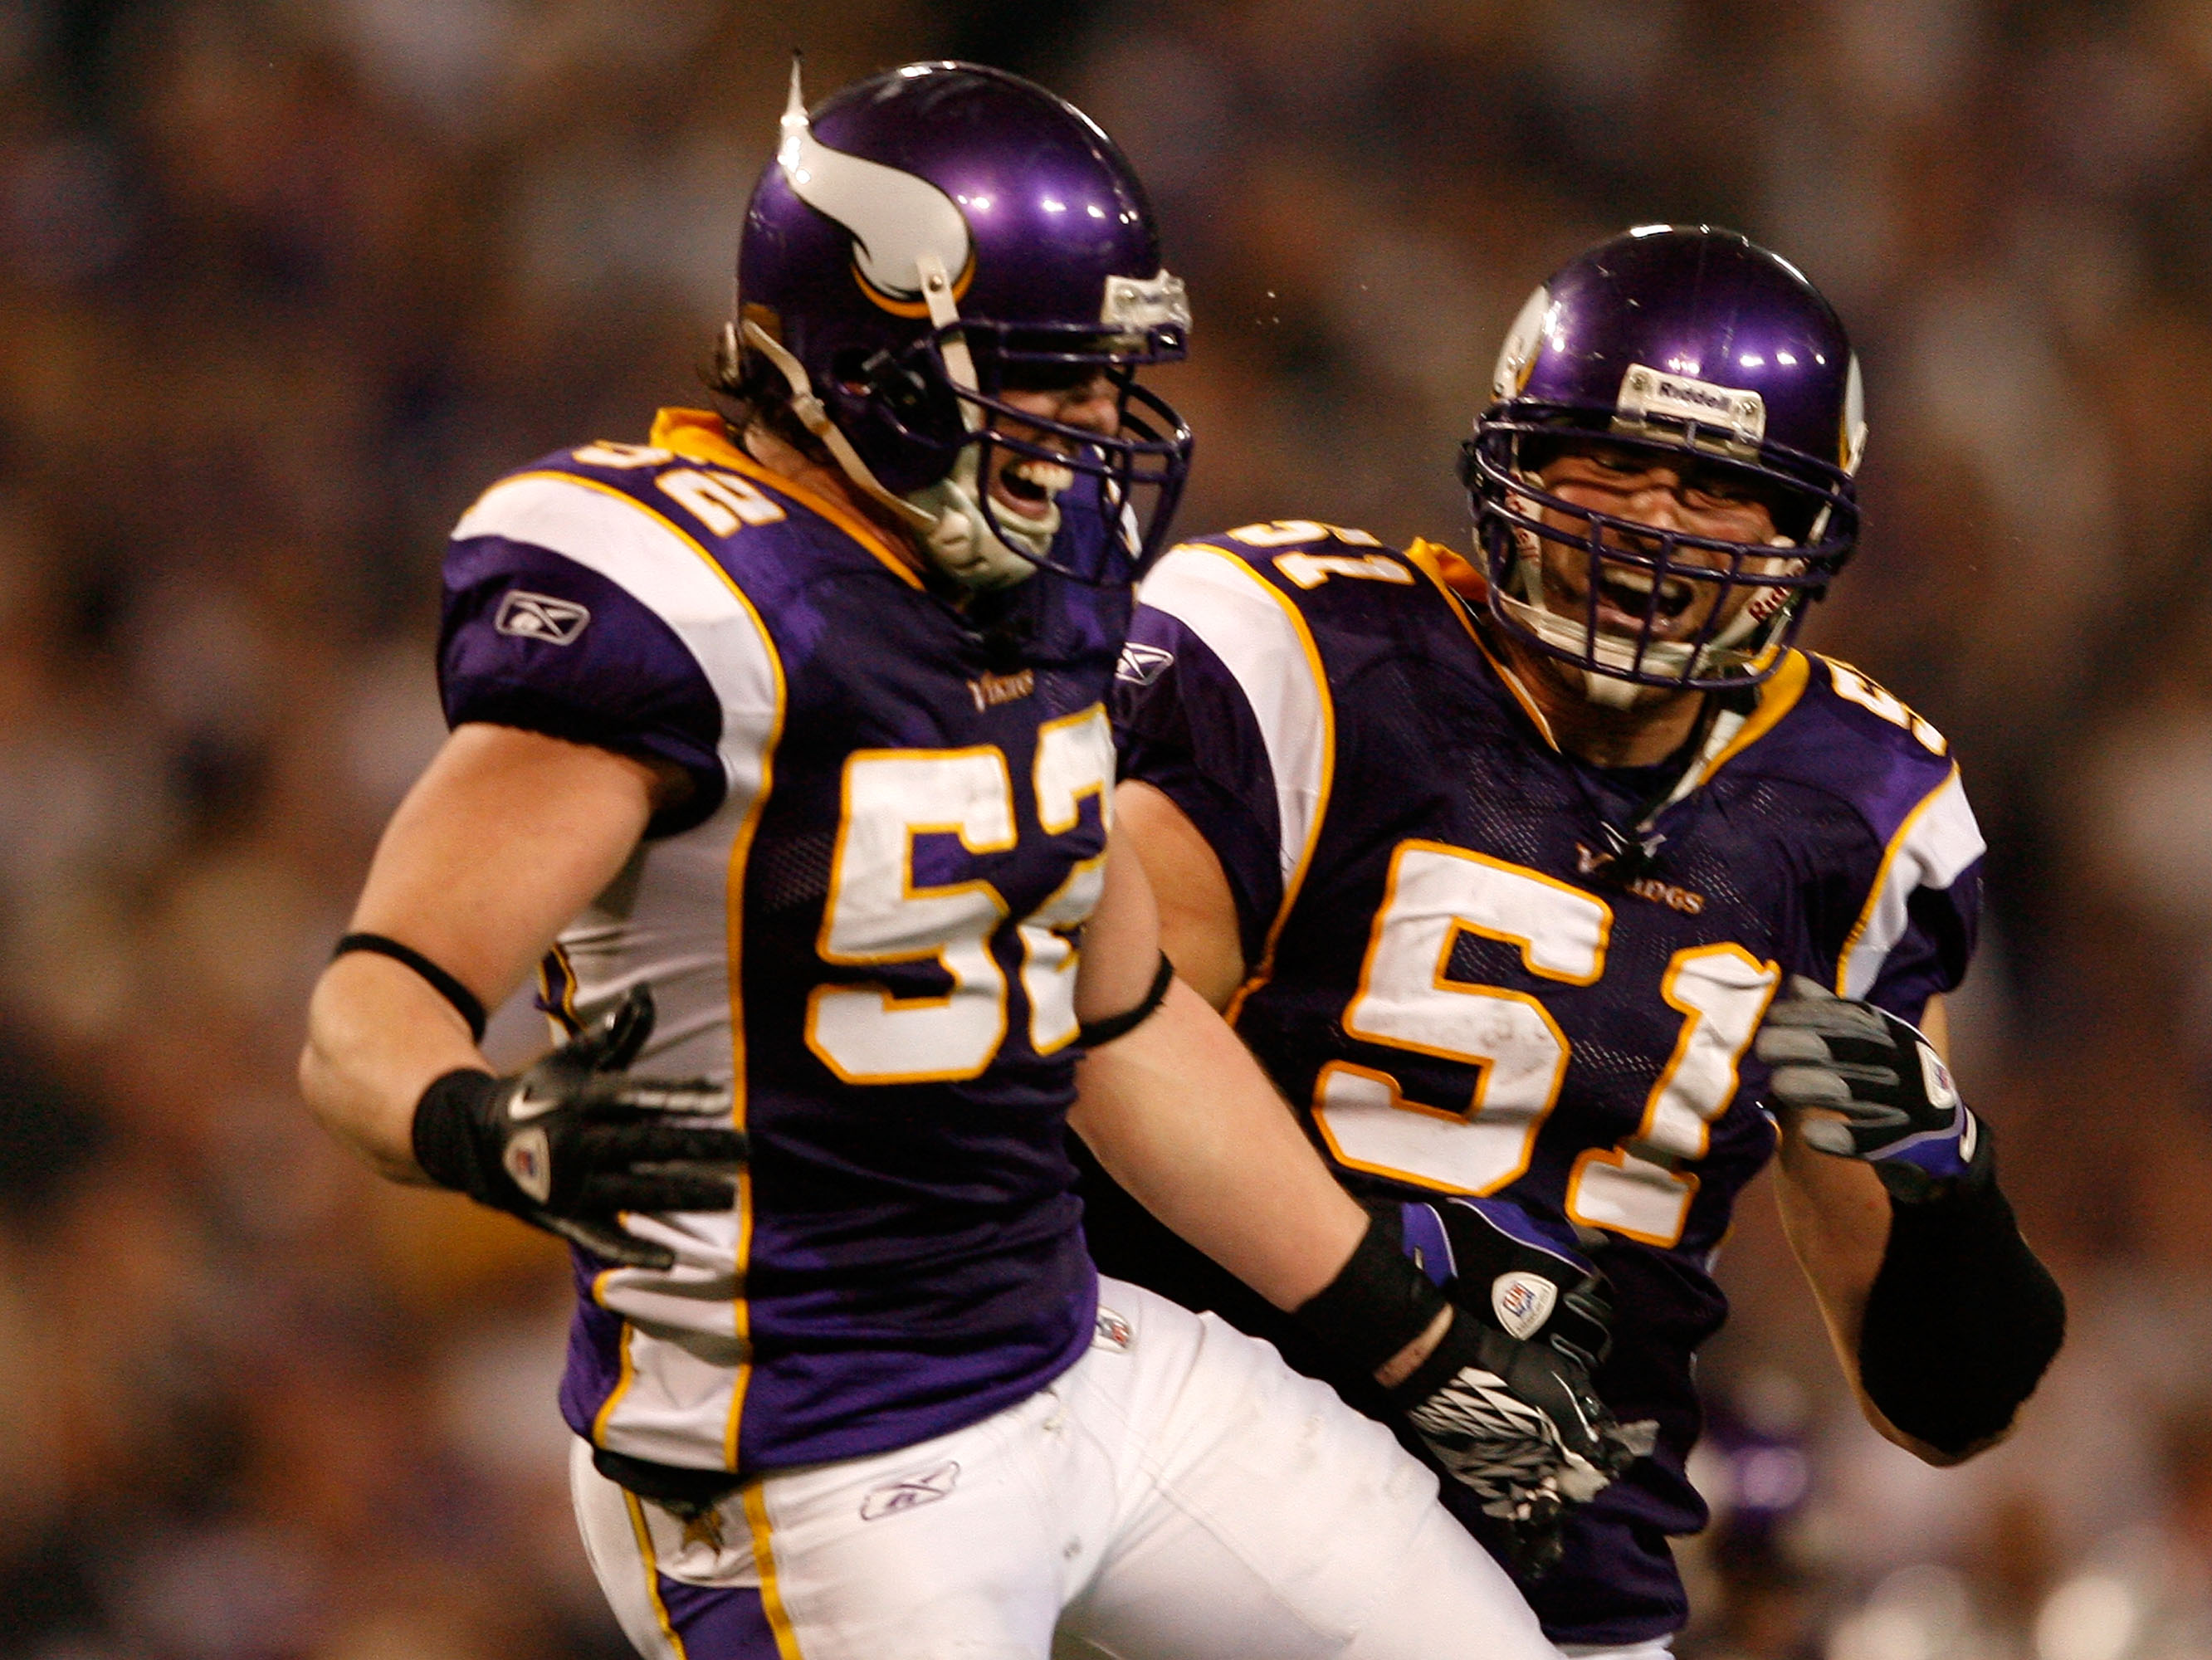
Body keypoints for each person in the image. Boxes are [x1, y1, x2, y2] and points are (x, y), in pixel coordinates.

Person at [297, 61, 1623, 1660]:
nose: (1089, 438)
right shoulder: (698, 605)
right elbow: (369, 1010)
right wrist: (477, 1119)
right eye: (1048, 382)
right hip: (811, 1455)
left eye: (1105, 384)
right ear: (874, 359)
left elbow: (1119, 1017)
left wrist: (1400, 1326)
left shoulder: (1012, 601)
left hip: (1072, 1353)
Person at [1083, 224, 2067, 1656]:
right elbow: (1097, 1048)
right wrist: (1395, 1304)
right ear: (1513, 459)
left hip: (1563, 1542)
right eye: (1610, 458)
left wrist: (1949, 1191)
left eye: (1724, 488)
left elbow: (1939, 1406)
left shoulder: (1856, 809)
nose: (1659, 522)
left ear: (1809, 533)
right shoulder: (1306, 654)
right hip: (1191, 1437)